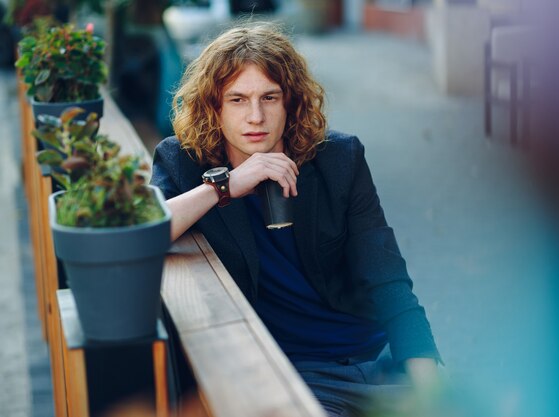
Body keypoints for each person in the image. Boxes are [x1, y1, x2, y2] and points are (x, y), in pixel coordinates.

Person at [151, 22, 441, 417]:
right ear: (213, 106)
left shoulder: (339, 160)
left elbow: (388, 279)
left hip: (377, 360)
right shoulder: (184, 163)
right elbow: (142, 234)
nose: (256, 116)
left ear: (291, 101)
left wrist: (432, 390)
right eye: (237, 100)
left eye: (269, 97)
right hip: (294, 373)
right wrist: (227, 187)